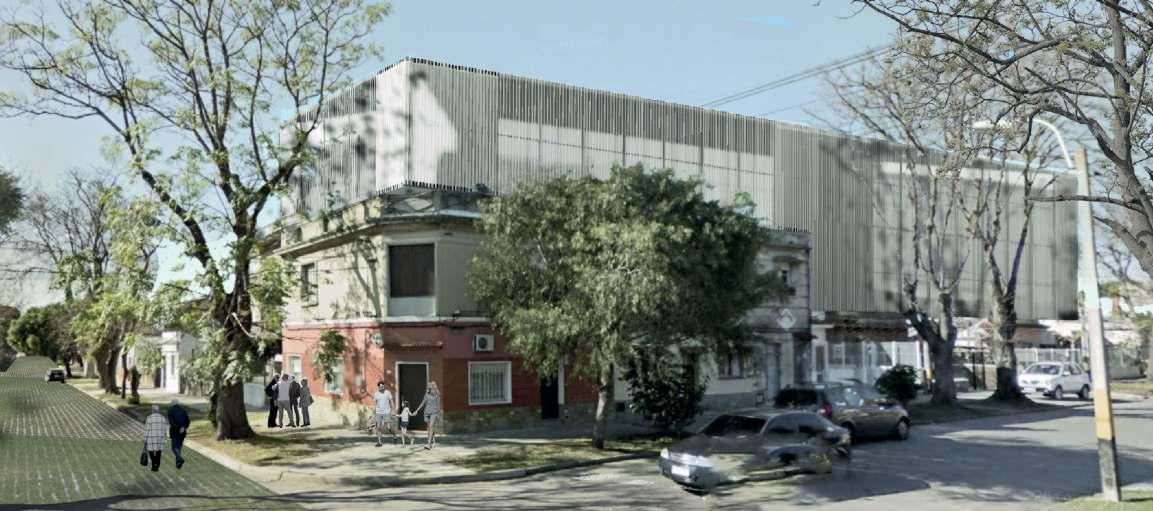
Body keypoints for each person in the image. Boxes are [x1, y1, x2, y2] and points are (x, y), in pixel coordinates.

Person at [414, 381, 441, 450]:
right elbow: (422, 403)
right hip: (426, 413)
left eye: (429, 387)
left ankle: (428, 444)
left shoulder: (437, 394)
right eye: (427, 387)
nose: (428, 388)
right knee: (429, 428)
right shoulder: (426, 394)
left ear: (432, 387)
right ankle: (433, 440)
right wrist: (416, 410)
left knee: (431, 427)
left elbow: (438, 405)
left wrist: (438, 414)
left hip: (433, 413)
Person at [143, 404, 168, 472]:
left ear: (152, 410)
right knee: (158, 452)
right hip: (160, 437)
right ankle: (156, 466)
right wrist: (165, 438)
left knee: (151, 451)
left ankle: (154, 463)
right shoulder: (163, 418)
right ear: (158, 410)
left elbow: (147, 429)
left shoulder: (149, 417)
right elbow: (165, 429)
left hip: (151, 437)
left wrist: (145, 438)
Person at [167, 400, 191, 469]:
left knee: (174, 448)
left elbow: (172, 423)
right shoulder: (183, 411)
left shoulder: (170, 411)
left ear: (172, 404)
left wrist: (179, 428)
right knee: (179, 447)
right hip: (182, 432)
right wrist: (183, 427)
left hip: (174, 432)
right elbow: (188, 421)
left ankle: (179, 458)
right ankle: (178, 463)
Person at [371, 380, 395, 446]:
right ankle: (379, 442)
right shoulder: (376, 394)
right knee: (378, 427)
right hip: (378, 412)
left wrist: (393, 410)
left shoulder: (388, 392)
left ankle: (394, 435)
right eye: (381, 387)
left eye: (383, 386)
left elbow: (391, 401)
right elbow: (374, 404)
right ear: (378, 387)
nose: (383, 388)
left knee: (388, 428)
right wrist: (373, 413)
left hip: (386, 412)